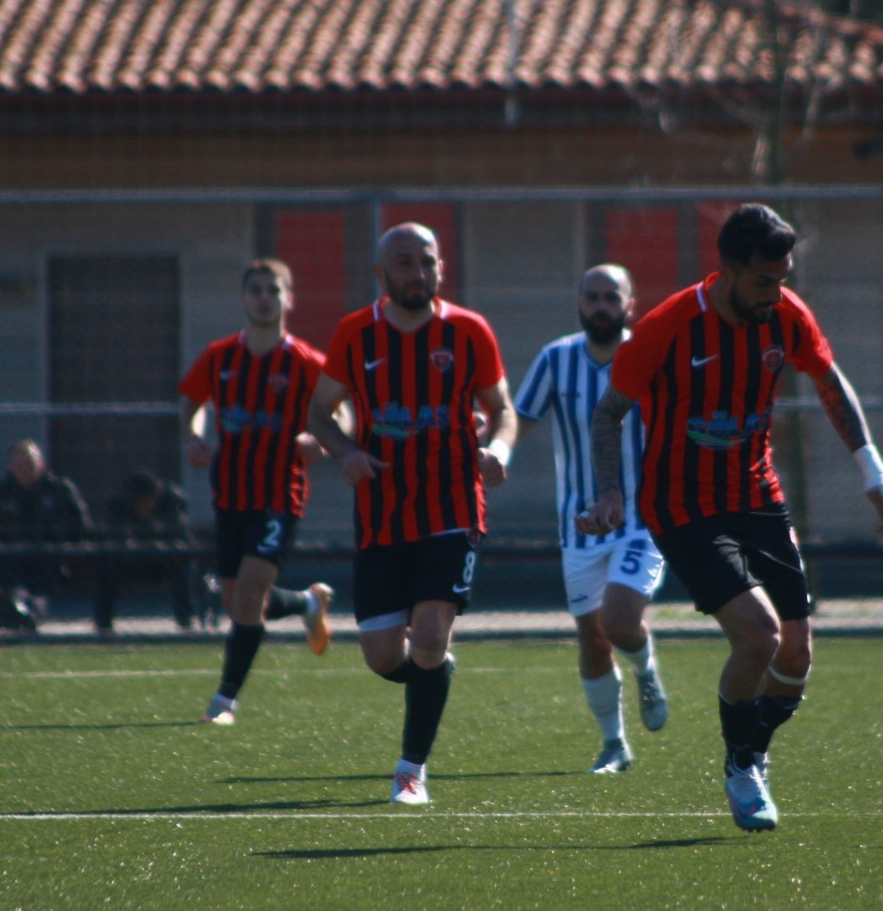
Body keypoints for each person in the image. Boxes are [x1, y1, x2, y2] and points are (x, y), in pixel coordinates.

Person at [578, 203, 883, 832]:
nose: (776, 293)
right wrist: (610, 494)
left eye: (783, 279)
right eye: (764, 281)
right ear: (726, 270)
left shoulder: (786, 314)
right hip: (683, 506)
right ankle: (741, 767)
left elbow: (830, 383)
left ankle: (752, 750)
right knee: (758, 636)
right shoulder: (668, 326)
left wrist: (874, 469)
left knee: (796, 658)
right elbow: (608, 412)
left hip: (757, 495)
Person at [305, 222, 518, 806]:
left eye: (426, 262)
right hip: (382, 515)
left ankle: (410, 771)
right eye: (404, 263)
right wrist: (345, 452)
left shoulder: (469, 331)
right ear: (380, 274)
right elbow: (320, 412)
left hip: (452, 504)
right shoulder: (355, 334)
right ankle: (435, 672)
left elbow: (502, 410)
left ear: (440, 269)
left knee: (427, 635)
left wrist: (497, 450)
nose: (417, 273)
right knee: (383, 658)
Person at [514, 264, 670, 775]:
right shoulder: (555, 359)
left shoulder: (648, 357)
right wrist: (492, 446)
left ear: (631, 303)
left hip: (643, 520)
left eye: (611, 297)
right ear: (579, 303)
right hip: (577, 523)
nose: (600, 306)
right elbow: (519, 419)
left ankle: (646, 669)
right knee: (593, 638)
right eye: (591, 297)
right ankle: (614, 745)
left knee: (620, 621)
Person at [179, 258, 336, 726]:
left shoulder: (307, 362)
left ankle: (225, 699)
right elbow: (192, 402)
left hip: (278, 496)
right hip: (229, 491)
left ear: (289, 299)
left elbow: (340, 414)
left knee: (248, 596)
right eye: (257, 290)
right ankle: (308, 603)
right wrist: (193, 435)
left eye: (274, 290)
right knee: (240, 602)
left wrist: (321, 440)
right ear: (244, 299)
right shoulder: (221, 356)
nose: (265, 298)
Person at [0, 439, 92, 633]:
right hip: (10, 557)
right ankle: (15, 611)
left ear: (41, 465)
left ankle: (27, 611)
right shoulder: (0, 492)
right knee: (7, 578)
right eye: (19, 466)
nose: (25, 471)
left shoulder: (59, 490)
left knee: (41, 581)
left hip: (50, 556)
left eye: (30, 465)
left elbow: (81, 525)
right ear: (11, 466)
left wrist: (70, 548)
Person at [95, 468, 196, 633]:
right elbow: (110, 537)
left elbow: (182, 538)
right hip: (129, 562)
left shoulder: (172, 500)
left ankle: (185, 621)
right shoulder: (118, 503)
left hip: (164, 561)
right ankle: (103, 624)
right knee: (106, 566)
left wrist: (160, 544)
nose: (143, 506)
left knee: (182, 567)